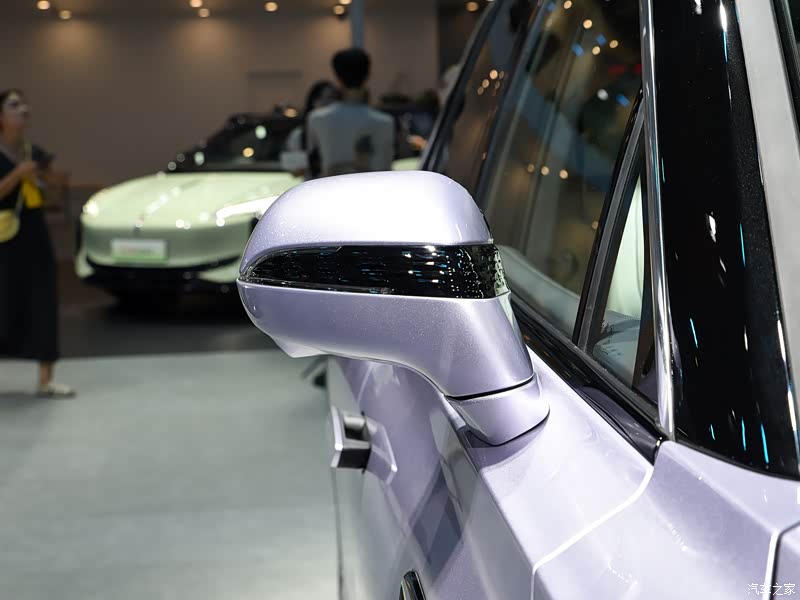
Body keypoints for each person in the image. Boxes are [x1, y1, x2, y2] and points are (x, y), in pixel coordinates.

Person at [0, 89, 74, 398]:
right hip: (4, 236)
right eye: (13, 105)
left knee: (42, 300)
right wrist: (18, 174)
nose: (23, 109)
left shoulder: (33, 152)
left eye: (24, 104)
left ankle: (46, 380)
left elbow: (55, 193)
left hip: (33, 233)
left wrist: (48, 179)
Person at [306, 48, 394, 177]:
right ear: (368, 75)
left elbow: (313, 164)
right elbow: (386, 166)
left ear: (337, 77)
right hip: (374, 187)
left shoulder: (317, 118)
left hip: (331, 187)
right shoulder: (385, 122)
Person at [283, 80, 340, 179]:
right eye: (325, 99)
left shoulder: (341, 132)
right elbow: (295, 171)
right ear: (314, 102)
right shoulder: (299, 135)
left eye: (333, 99)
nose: (330, 104)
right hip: (313, 184)